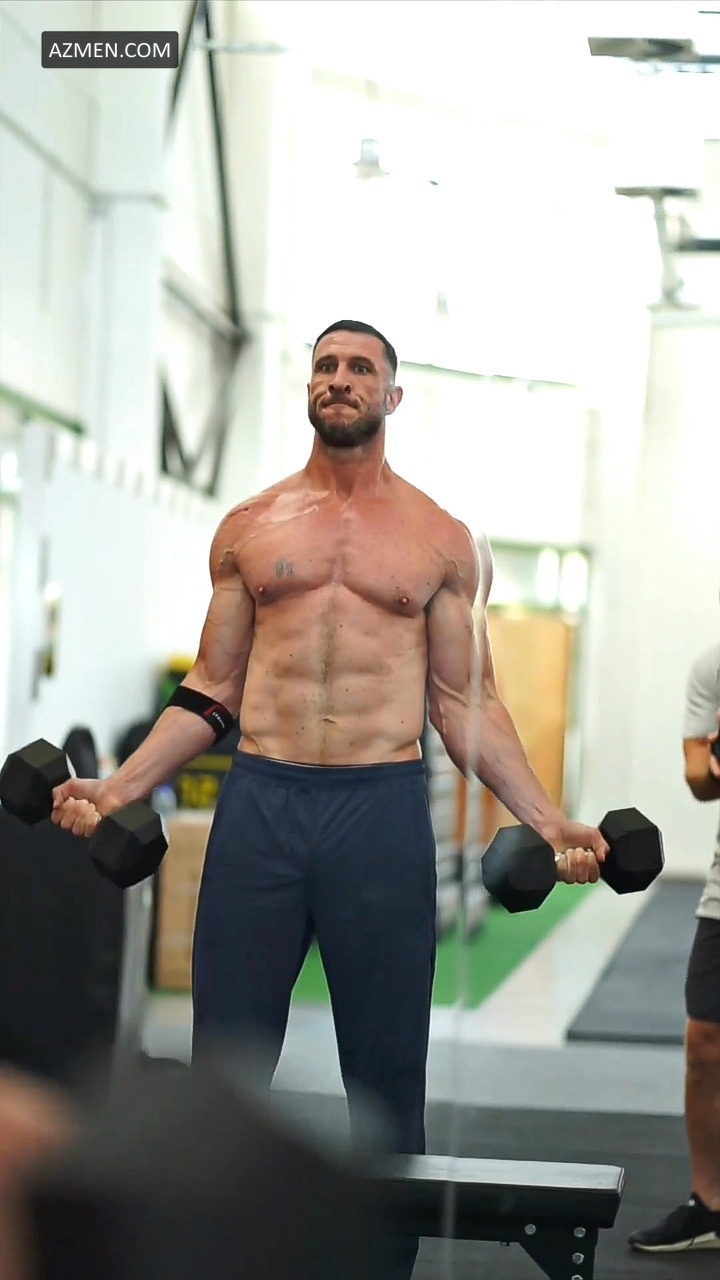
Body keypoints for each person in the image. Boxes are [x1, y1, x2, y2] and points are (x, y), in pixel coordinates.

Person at [51, 319, 607, 1277]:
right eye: (325, 366)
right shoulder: (251, 528)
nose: (339, 379)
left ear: (393, 396)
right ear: (308, 386)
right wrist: (120, 785)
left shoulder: (438, 539)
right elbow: (211, 692)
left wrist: (546, 818)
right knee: (226, 1068)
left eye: (360, 368)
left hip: (378, 814)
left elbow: (464, 703)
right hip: (262, 807)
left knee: (387, 1077)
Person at [629, 638, 720, 1254]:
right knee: (706, 1041)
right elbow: (697, 777)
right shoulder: (713, 667)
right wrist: (713, 763)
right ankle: (711, 1205)